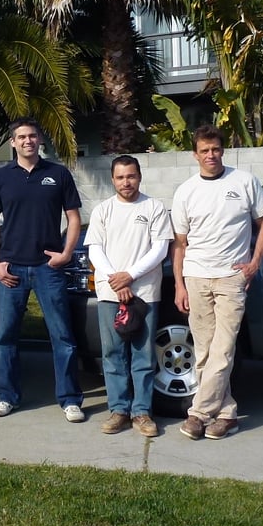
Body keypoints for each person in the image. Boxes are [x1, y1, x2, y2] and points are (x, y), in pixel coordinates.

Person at [172, 124, 263, 441]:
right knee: (203, 353)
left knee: (224, 350)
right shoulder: (186, 191)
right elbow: (180, 244)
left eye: (215, 149)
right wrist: (179, 284)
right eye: (204, 150)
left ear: (222, 150)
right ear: (195, 154)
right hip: (197, 276)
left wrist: (253, 265)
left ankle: (198, 414)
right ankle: (226, 414)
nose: (210, 155)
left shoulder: (244, 182)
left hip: (231, 278)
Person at [0, 117, 85, 422]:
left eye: (32, 136)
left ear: (40, 140)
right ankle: (7, 396)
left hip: (47, 268)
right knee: (6, 337)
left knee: (62, 336)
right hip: (10, 269)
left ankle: (69, 399)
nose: (28, 141)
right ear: (12, 142)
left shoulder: (58, 174)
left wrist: (66, 253)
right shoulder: (0, 178)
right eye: (21, 137)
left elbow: (74, 218)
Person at [85, 155, 173, 437]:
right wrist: (116, 279)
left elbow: (159, 249)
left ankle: (142, 412)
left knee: (143, 355)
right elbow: (95, 250)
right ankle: (119, 410)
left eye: (131, 176)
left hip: (145, 293)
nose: (126, 182)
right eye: (121, 177)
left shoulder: (154, 208)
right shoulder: (102, 210)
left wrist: (130, 276)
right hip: (110, 292)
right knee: (113, 354)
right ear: (113, 179)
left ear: (139, 176)